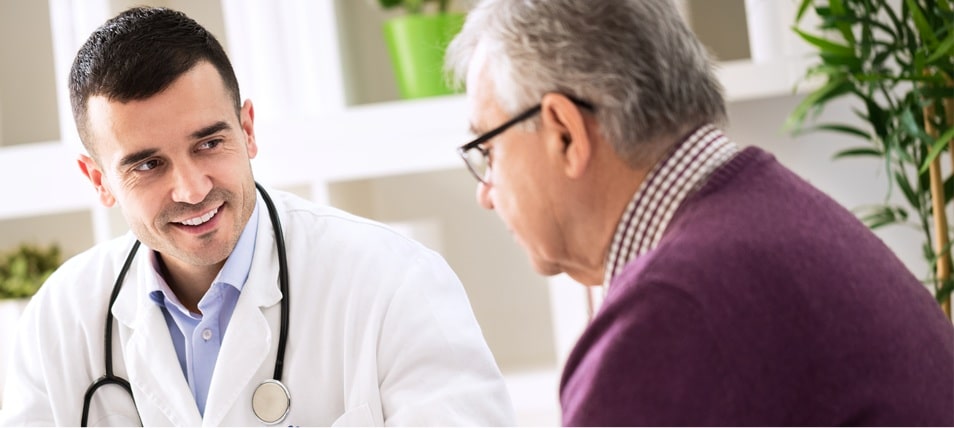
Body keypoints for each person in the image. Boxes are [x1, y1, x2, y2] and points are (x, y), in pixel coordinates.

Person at [0, 6, 515, 426]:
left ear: (247, 130)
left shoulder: (394, 283)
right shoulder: (59, 322)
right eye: (148, 165)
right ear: (99, 181)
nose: (193, 187)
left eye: (209, 143)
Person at [445, 0, 954, 425]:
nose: (486, 192)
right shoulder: (779, 218)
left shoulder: (671, 312)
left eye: (488, 150)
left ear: (564, 132)